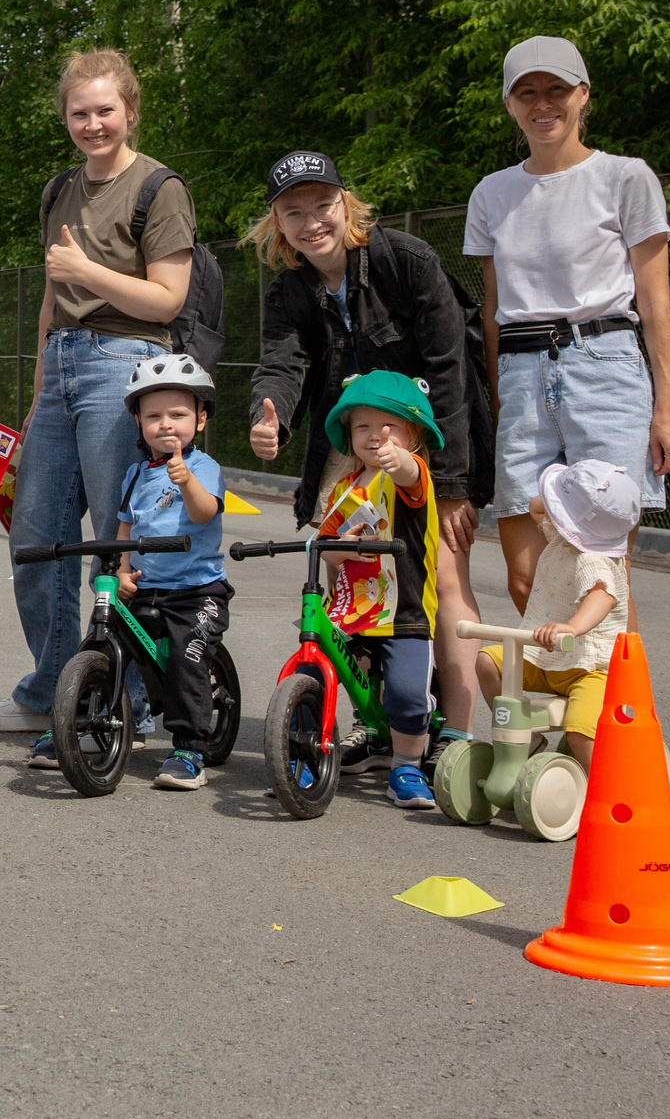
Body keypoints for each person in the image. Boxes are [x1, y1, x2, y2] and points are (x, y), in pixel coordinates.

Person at [0, 51, 192, 752]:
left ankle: (127, 695)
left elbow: (167, 298)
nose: (92, 123)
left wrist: (86, 270)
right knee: (36, 536)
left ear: (130, 109)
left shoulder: (157, 188)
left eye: (105, 110)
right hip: (63, 361)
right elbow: (52, 292)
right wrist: (41, 380)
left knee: (116, 537)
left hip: (125, 361)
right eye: (79, 112)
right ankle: (53, 687)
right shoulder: (58, 191)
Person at [247, 148, 488, 759]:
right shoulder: (288, 291)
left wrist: (454, 482)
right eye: (293, 212)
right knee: (349, 577)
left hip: (420, 440)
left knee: (446, 573)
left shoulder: (405, 260)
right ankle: (380, 720)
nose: (311, 223)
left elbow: (450, 371)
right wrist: (266, 414)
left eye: (322, 205)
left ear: (345, 204)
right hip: (346, 443)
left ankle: (454, 733)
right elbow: (282, 364)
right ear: (277, 223)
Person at [464, 36, 670, 612]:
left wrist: (666, 412)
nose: (544, 104)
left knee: (603, 576)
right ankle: (558, 699)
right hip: (520, 373)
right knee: (524, 577)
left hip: (606, 366)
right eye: (527, 92)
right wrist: (496, 399)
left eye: (557, 89)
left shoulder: (626, 178)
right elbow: (492, 310)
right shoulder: (492, 193)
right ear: (510, 105)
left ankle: (622, 705)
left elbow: (656, 305)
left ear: (583, 96)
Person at [309, 369, 447, 808]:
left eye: (389, 428)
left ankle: (406, 765)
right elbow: (327, 549)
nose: (375, 436)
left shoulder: (413, 476)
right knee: (313, 673)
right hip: (352, 610)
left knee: (406, 693)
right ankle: (302, 754)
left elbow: (408, 473)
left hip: (403, 610)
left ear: (413, 435)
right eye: (363, 427)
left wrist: (398, 460)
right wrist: (342, 548)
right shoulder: (344, 490)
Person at [102, 354, 229, 792]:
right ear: (138, 422)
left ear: (202, 417)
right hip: (147, 587)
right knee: (106, 641)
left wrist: (186, 481)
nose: (166, 424)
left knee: (186, 658)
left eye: (178, 414)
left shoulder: (202, 467)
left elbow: (204, 511)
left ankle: (190, 748)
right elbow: (126, 525)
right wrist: (122, 569)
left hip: (197, 591)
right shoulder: (136, 474)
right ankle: (82, 717)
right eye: (153, 416)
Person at [481, 460, 640, 770]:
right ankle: (525, 739)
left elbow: (602, 595)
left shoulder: (594, 560)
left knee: (580, 732)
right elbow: (536, 508)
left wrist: (572, 627)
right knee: (488, 662)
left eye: (558, 505)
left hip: (590, 669)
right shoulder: (562, 539)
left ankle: (604, 785)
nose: (548, 509)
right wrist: (560, 497)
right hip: (549, 660)